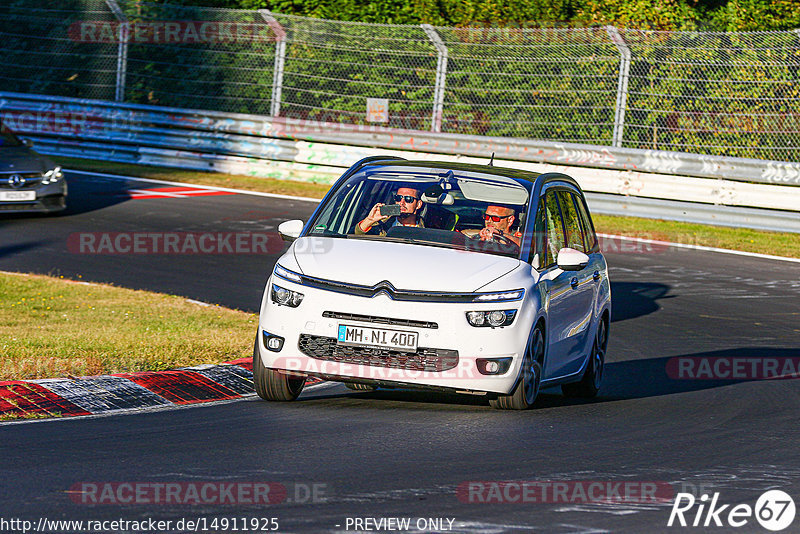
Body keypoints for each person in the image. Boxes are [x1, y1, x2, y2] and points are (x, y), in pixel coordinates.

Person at [355, 187, 424, 235]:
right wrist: (369, 220)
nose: (401, 202)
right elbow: (353, 236)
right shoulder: (382, 225)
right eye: (398, 198)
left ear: (418, 204)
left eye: (408, 199)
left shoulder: (427, 229)